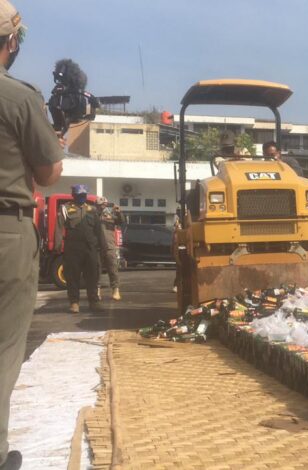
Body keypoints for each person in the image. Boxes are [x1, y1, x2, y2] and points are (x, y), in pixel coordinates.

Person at [0, 1, 65, 467]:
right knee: (5, 343)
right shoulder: (20, 98)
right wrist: (61, 135)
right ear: (10, 42)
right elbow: (47, 174)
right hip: (6, 232)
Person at [59, 184, 105, 314]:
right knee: (72, 276)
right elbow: (58, 227)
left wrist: (102, 247)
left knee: (92, 276)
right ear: (74, 195)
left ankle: (94, 302)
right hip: (73, 248)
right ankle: (74, 303)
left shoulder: (92, 210)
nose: (82, 198)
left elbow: (98, 230)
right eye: (79, 195)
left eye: (84, 195)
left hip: (90, 248)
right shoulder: (65, 209)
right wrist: (58, 246)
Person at [96, 197, 125, 301]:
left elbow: (121, 221)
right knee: (96, 270)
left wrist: (118, 212)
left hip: (110, 246)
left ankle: (115, 290)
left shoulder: (111, 215)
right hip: (97, 246)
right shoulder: (94, 214)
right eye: (102, 205)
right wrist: (99, 212)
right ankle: (97, 291)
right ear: (98, 205)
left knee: (113, 269)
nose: (104, 206)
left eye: (105, 204)